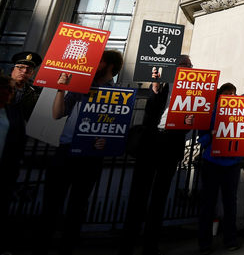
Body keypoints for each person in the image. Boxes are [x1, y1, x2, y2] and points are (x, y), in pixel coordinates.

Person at [35, 49, 124, 255]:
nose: (94, 65)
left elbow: (115, 131)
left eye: (99, 62)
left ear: (110, 66)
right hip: (66, 152)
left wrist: (105, 140)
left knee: (77, 208)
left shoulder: (118, 95)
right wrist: (60, 90)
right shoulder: (80, 87)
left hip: (91, 157)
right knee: (51, 205)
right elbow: (57, 114)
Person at [119, 54, 194, 255]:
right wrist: (155, 87)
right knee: (138, 195)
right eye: (181, 64)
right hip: (151, 142)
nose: (185, 67)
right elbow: (150, 109)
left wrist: (189, 122)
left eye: (188, 65)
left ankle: (150, 245)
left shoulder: (192, 92)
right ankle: (127, 243)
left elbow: (193, 122)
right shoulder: (161, 84)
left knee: (159, 197)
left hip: (172, 143)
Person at [198, 83, 241, 254]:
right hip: (212, 163)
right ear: (219, 95)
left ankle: (230, 239)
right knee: (208, 204)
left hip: (232, 164)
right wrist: (212, 134)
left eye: (233, 93)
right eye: (227, 93)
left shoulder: (239, 113)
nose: (230, 96)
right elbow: (201, 139)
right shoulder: (210, 113)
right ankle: (204, 242)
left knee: (230, 204)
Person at [0, 75, 26, 254]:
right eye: (7, 89)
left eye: (12, 89)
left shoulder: (13, 114)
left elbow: (19, 142)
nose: (11, 93)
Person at [8, 50, 42, 120]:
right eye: (20, 67)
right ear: (13, 69)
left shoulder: (35, 93)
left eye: (29, 69)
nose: (25, 71)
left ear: (32, 73)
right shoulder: (2, 85)